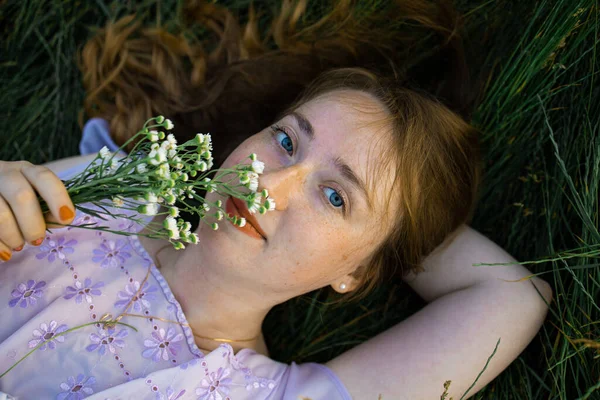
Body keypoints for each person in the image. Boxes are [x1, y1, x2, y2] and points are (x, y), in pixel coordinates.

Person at [0, 1, 553, 399]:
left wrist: (403, 228)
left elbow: (511, 298)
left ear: (356, 273)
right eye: (286, 140)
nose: (266, 185)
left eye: (335, 196)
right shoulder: (120, 188)